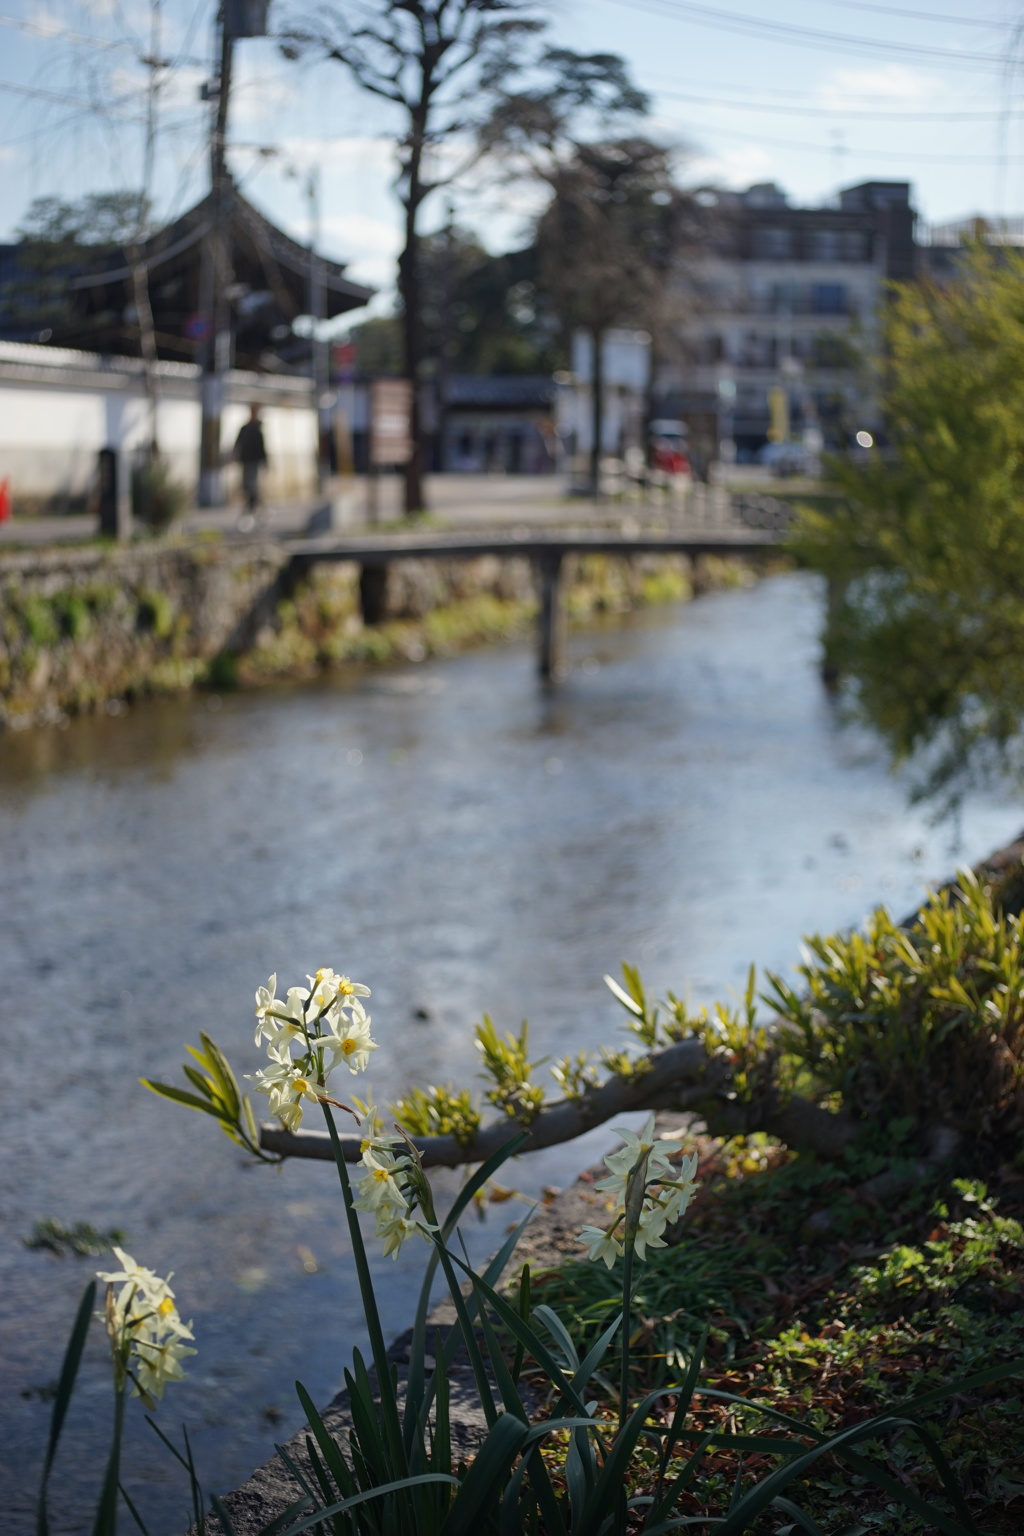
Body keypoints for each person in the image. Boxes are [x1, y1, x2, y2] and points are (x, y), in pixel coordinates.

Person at [234, 405, 268, 518]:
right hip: (246, 460)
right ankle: (255, 507)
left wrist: (265, 461)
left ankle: (254, 508)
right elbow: (238, 443)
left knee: (252, 485)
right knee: (245, 485)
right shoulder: (245, 428)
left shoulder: (258, 429)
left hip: (255, 461)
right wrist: (235, 455)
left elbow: (262, 446)